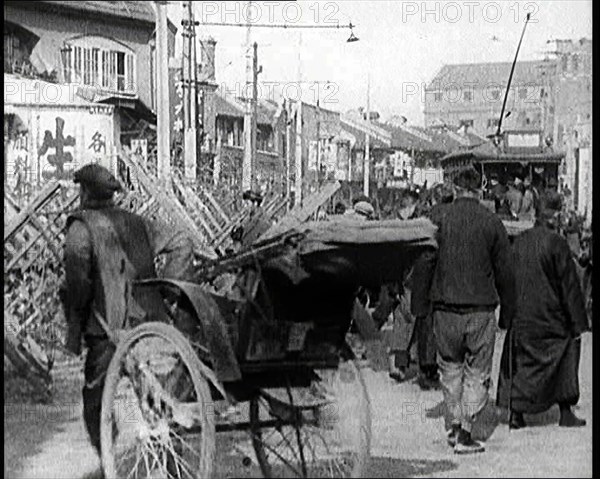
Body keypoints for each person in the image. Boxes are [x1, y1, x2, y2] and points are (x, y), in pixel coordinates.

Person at [61, 163, 194, 455]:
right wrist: (168, 288)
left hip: (107, 329)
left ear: (84, 193)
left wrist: (77, 323)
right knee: (155, 394)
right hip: (152, 324)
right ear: (110, 196)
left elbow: (78, 287)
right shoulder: (138, 223)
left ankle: (107, 455)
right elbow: (183, 241)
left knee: (96, 398)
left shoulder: (80, 229)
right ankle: (172, 465)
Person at [417, 168, 515, 454]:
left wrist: (421, 306)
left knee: (450, 368)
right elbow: (505, 273)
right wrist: (508, 312)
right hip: (480, 310)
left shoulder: (437, 218)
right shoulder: (492, 221)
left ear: (455, 188)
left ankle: (454, 424)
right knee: (476, 372)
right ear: (479, 189)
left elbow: (424, 262)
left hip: (444, 309)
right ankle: (465, 430)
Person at [496, 196, 589, 429]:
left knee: (520, 364)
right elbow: (569, 286)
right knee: (568, 350)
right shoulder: (556, 243)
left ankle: (516, 413)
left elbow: (507, 280)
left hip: (524, 316)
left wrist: (507, 316)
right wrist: (578, 322)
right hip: (551, 317)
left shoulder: (519, 241)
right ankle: (566, 410)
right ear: (555, 216)